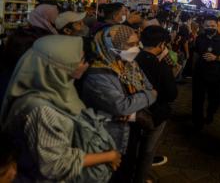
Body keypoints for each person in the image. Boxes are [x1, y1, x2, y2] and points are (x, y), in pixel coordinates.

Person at [0, 35, 120, 182]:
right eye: (81, 61)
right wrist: (109, 156)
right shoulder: (42, 110)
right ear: (57, 67)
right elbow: (55, 165)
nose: (86, 65)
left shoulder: (55, 88)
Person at [80, 25, 157, 182]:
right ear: (110, 45)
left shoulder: (128, 63)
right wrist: (148, 96)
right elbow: (121, 106)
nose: (137, 48)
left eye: (137, 43)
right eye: (130, 45)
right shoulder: (97, 74)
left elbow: (148, 86)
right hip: (108, 137)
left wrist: (143, 97)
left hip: (129, 131)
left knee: (126, 171)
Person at [135, 26, 178, 182]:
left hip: (132, 112)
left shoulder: (132, 59)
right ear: (161, 45)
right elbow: (171, 94)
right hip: (153, 113)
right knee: (147, 151)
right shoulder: (160, 67)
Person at [192, 16, 220, 130]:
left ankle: (210, 114)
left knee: (214, 99)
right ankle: (197, 120)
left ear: (217, 25)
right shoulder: (200, 38)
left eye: (212, 26)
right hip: (199, 74)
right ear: (203, 26)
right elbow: (196, 53)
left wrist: (217, 58)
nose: (210, 28)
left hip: (216, 75)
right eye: (207, 26)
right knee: (197, 99)